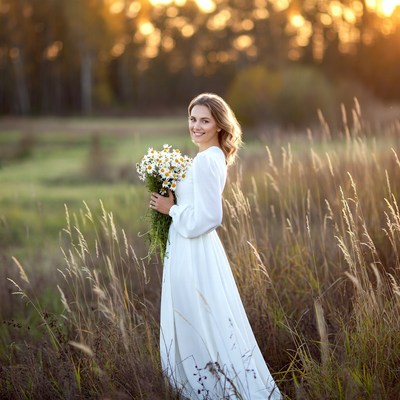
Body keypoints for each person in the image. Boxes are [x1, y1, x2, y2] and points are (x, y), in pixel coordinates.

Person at [149, 93, 281, 399]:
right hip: (187, 247)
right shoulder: (205, 156)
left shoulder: (209, 160)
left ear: (220, 126)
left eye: (204, 120)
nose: (196, 126)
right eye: (193, 119)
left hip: (196, 251)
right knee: (196, 316)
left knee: (200, 317)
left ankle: (212, 389)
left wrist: (172, 210)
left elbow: (211, 217)